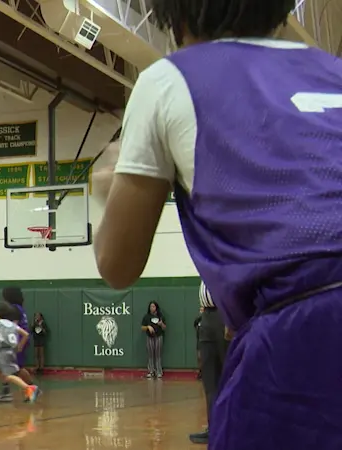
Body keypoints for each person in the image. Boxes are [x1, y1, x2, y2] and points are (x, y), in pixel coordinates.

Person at [91, 0, 342, 447]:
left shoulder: (170, 79)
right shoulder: (331, 69)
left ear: (173, 15)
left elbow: (117, 265)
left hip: (303, 336)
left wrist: (110, 191)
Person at [190, 283, 228, 445]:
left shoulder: (227, 260)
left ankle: (231, 427)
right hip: (206, 315)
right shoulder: (205, 262)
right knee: (209, 378)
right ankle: (214, 428)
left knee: (229, 375)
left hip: (224, 314)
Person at [0, 287, 35, 402]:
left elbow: (13, 327)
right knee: (16, 367)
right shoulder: (19, 308)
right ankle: (31, 388)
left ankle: (8, 391)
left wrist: (19, 344)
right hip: (20, 339)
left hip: (17, 340)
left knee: (10, 367)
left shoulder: (13, 309)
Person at [141, 301, 166, 379]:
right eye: (151, 306)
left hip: (158, 337)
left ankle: (159, 371)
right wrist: (148, 327)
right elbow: (142, 327)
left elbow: (165, 328)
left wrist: (161, 324)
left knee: (158, 354)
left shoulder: (161, 316)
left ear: (156, 307)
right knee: (150, 355)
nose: (152, 308)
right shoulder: (146, 317)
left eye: (153, 306)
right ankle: (151, 371)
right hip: (150, 337)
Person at [193, 306, 204, 380]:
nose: (201, 311)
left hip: (207, 341)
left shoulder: (208, 320)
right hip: (200, 340)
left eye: (203, 309)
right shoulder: (198, 320)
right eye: (200, 309)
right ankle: (200, 372)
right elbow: (195, 325)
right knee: (199, 357)